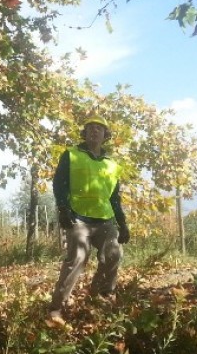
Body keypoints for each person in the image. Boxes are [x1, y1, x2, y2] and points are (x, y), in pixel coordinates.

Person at [47, 116, 129, 324]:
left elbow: (114, 197)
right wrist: (63, 209)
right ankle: (57, 308)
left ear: (105, 135)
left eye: (99, 128)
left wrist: (123, 223)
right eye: (90, 128)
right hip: (78, 217)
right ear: (84, 133)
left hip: (105, 218)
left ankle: (101, 295)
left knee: (114, 254)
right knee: (76, 259)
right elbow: (59, 184)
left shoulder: (112, 165)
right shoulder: (71, 155)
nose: (94, 131)